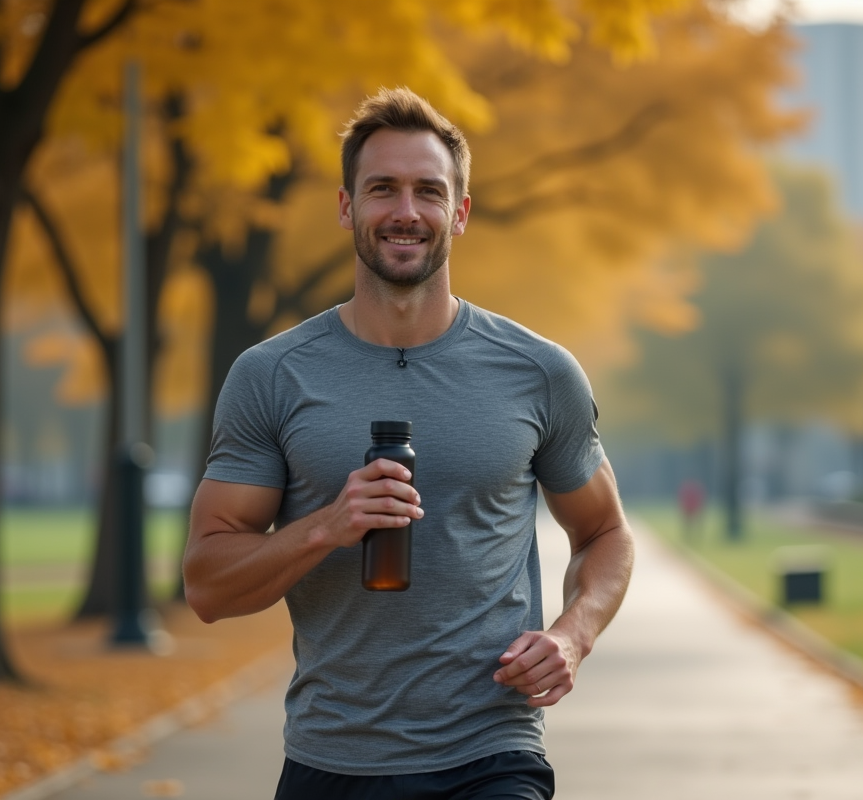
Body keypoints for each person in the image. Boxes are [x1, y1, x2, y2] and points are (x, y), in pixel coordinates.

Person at [183, 87, 635, 800]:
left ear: (460, 213)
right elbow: (207, 583)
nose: (405, 211)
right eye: (382, 189)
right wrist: (325, 528)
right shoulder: (270, 375)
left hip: (492, 754)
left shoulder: (539, 372)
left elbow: (605, 531)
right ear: (345, 207)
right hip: (331, 760)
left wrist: (572, 636)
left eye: (429, 191)